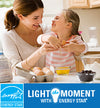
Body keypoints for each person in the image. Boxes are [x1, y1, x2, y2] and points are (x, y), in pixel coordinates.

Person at [1, 0, 55, 72]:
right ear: (20, 16)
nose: (40, 21)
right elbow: (15, 70)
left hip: (51, 81)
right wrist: (39, 52)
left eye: (41, 16)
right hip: (25, 82)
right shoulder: (9, 36)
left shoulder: (47, 30)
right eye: (35, 18)